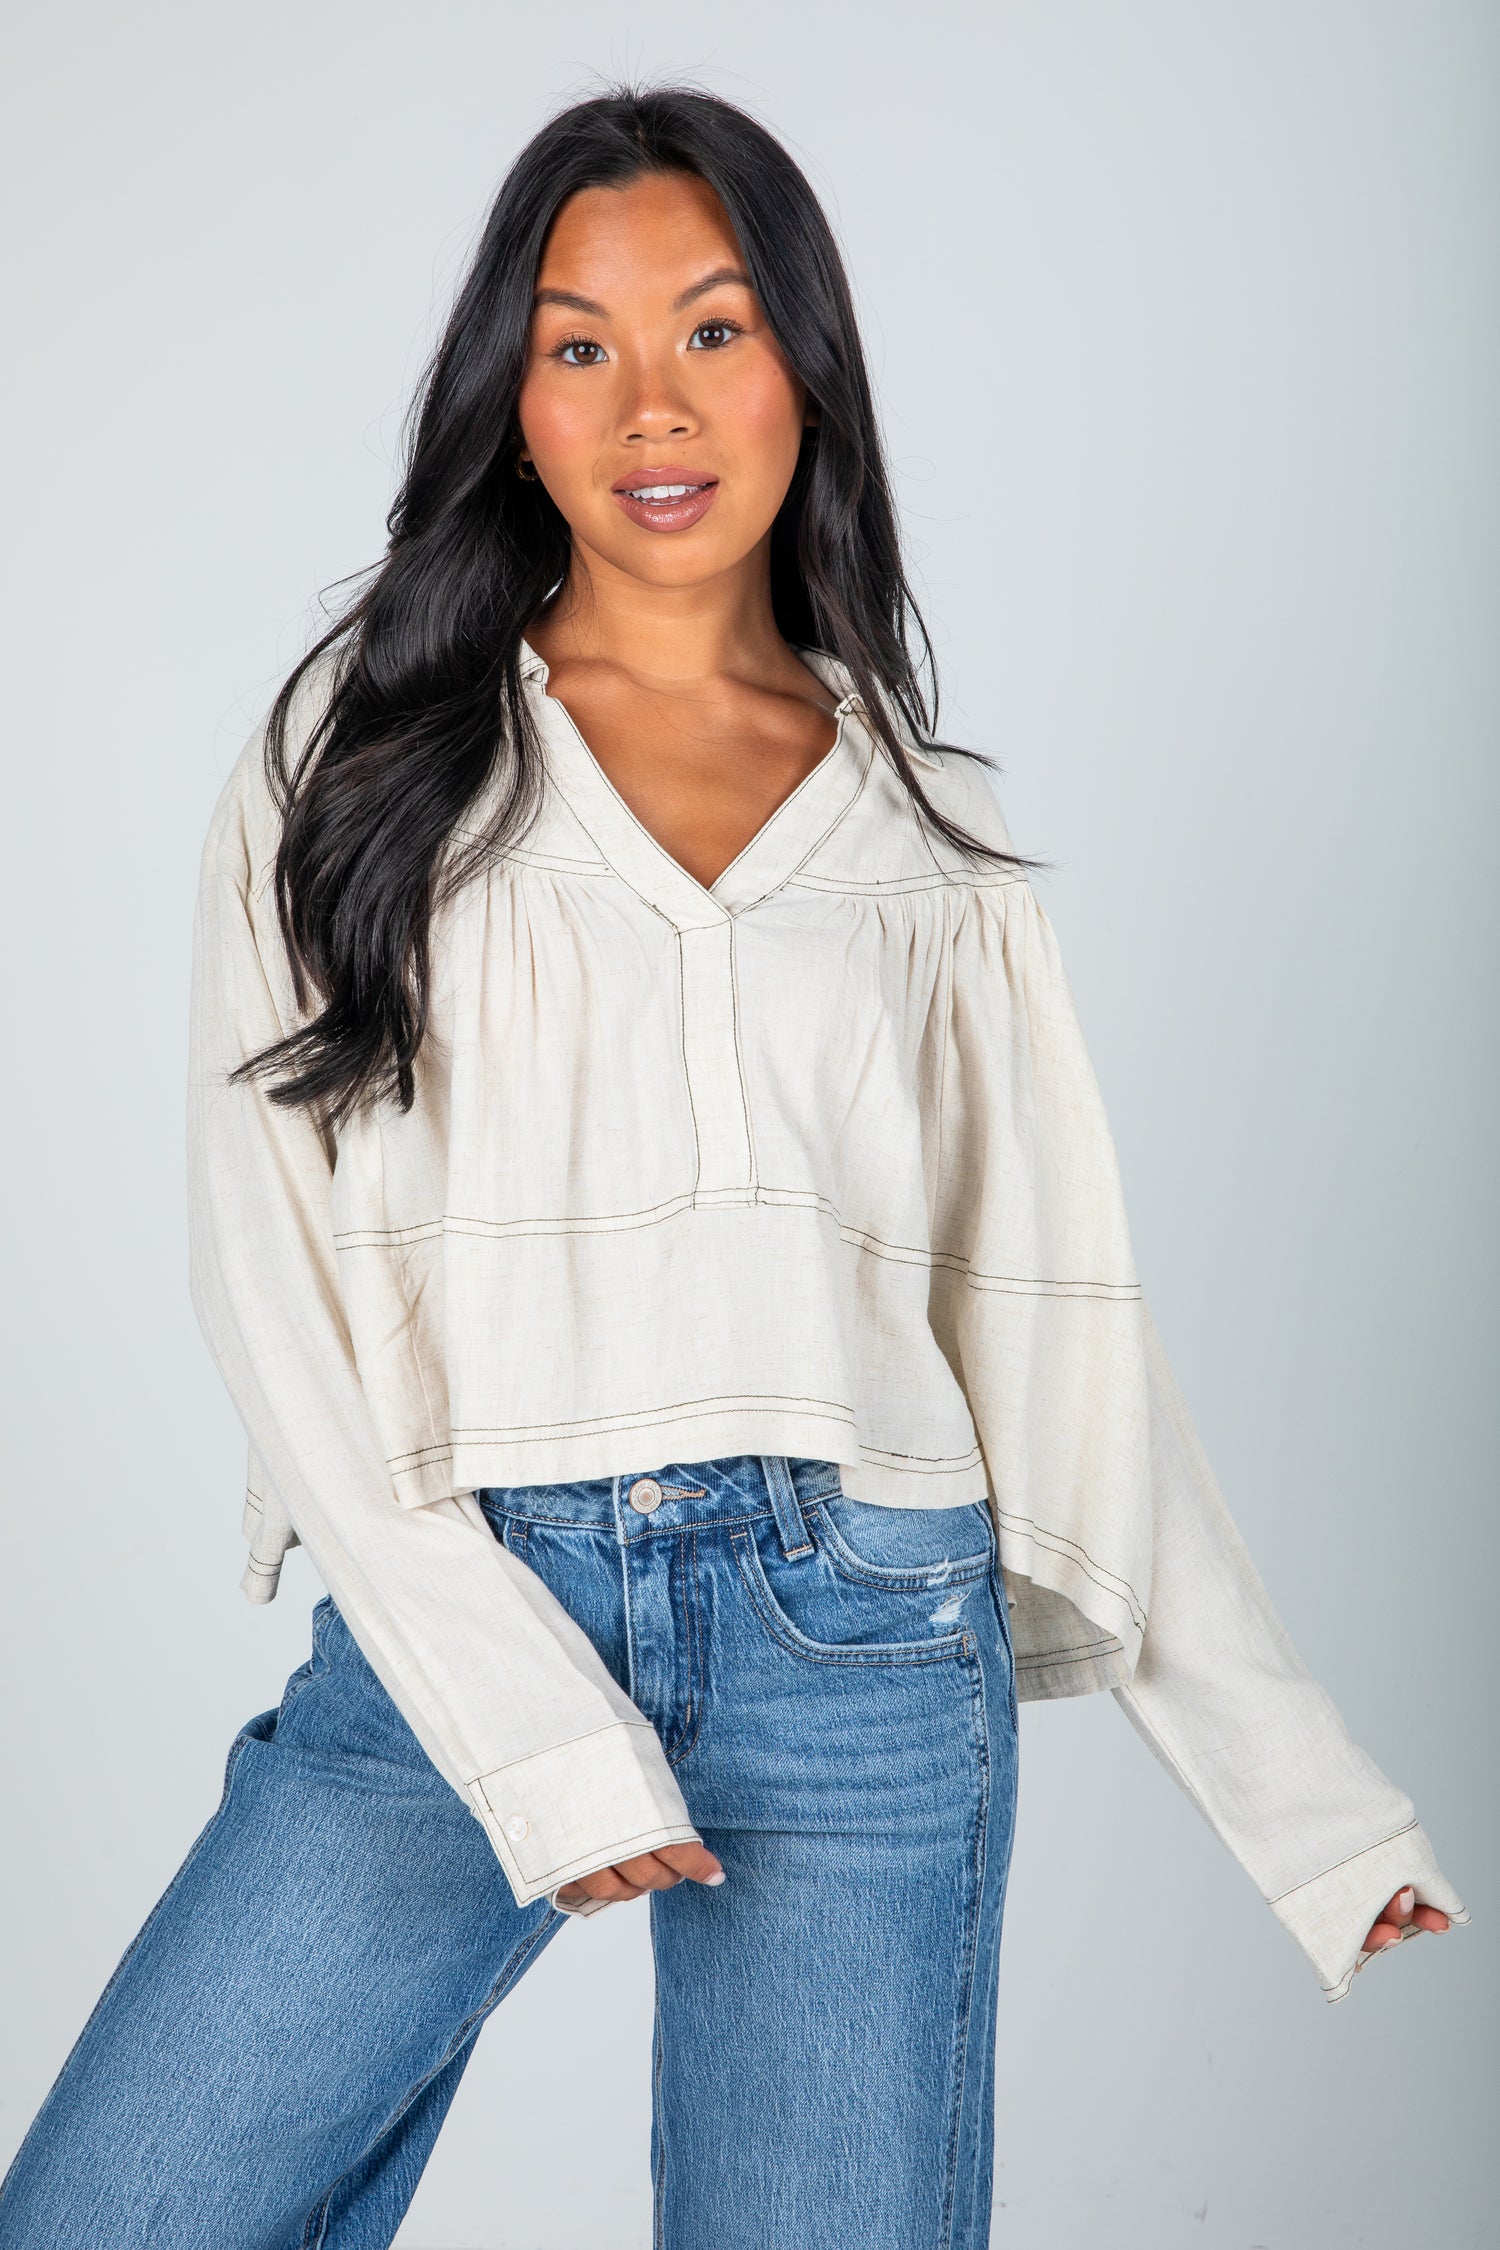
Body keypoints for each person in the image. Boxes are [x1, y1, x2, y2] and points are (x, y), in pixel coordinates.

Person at [0, 83, 1466, 2250]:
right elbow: (269, 1271)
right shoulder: (363, 750)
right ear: (511, 397)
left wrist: (1310, 1812)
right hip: (459, 1602)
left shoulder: (928, 840)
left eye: (716, 326)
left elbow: (1066, 1349)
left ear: (808, 370)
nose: (649, 402)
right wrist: (524, 1717)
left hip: (865, 1634)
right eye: (578, 341)